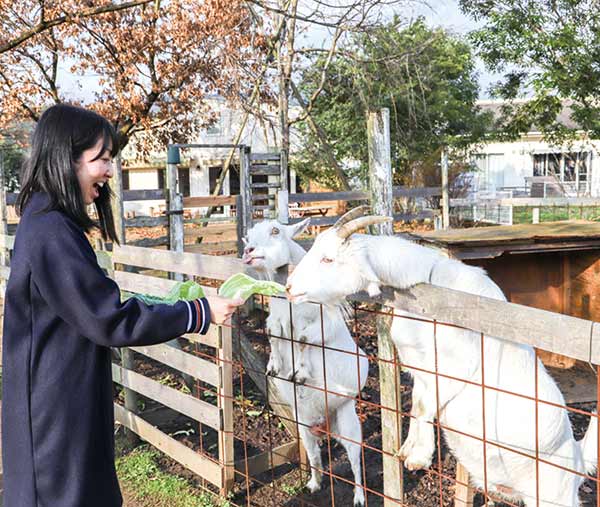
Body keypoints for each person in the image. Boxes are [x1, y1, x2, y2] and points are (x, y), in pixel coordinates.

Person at [1, 104, 244, 507]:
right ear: (67, 159)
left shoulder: (47, 222)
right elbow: (109, 317)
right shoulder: (50, 231)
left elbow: (92, 305)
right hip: (53, 421)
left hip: (61, 403)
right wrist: (197, 312)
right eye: (101, 160)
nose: (110, 171)